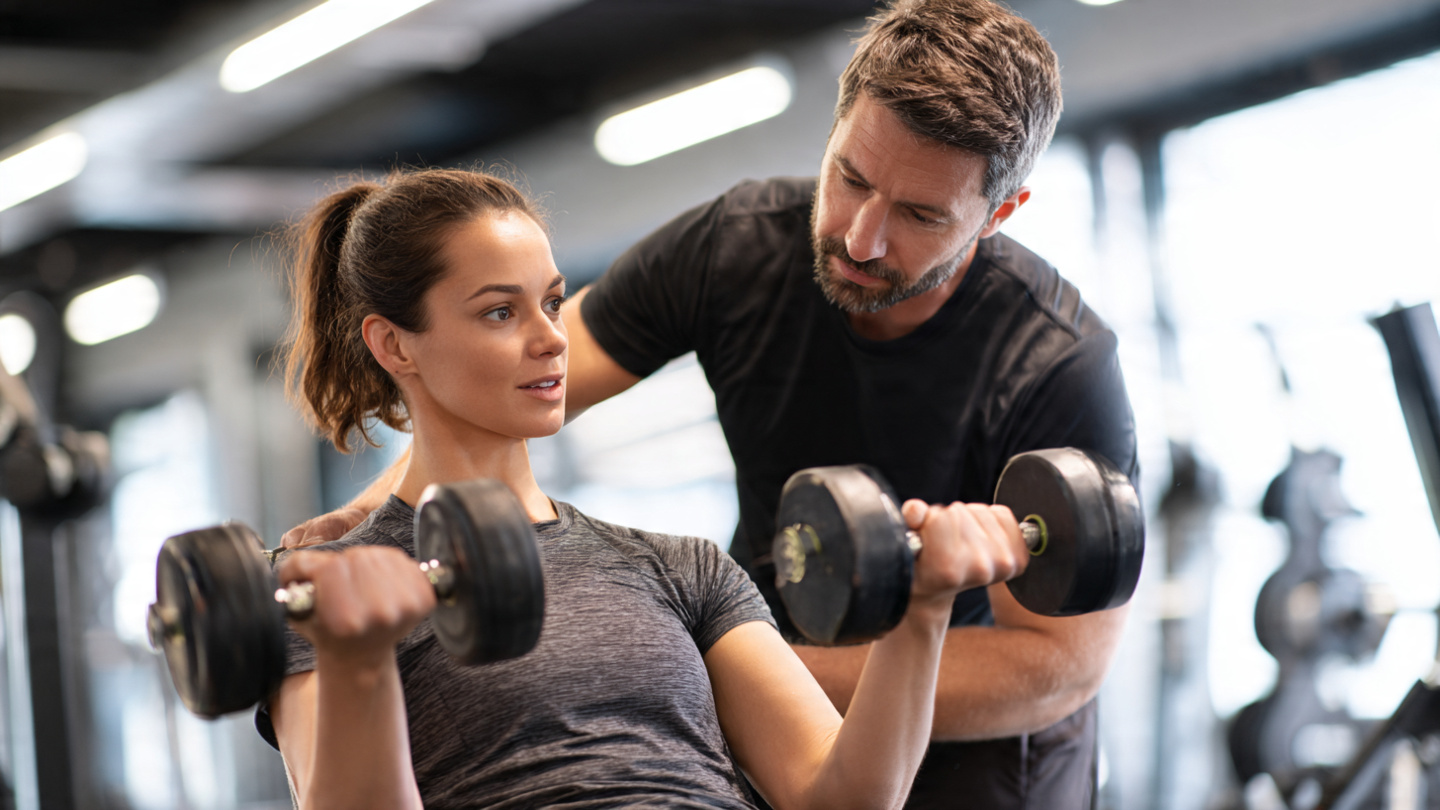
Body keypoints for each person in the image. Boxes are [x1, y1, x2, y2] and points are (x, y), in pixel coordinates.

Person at [285, 1, 1139, 806]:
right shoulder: (735, 249)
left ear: (999, 214)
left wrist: (720, 652)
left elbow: (1054, 666)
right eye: (849, 178)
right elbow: (512, 385)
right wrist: (362, 530)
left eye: (919, 214)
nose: (860, 236)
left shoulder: (1056, 361)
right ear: (835, 130)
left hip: (981, 762)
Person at [261, 166, 1033, 809]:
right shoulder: (330, 594)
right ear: (393, 343)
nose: (552, 337)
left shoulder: (678, 568)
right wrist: (358, 658)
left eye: (553, 301)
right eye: (501, 311)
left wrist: (922, 613)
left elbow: (841, 797)